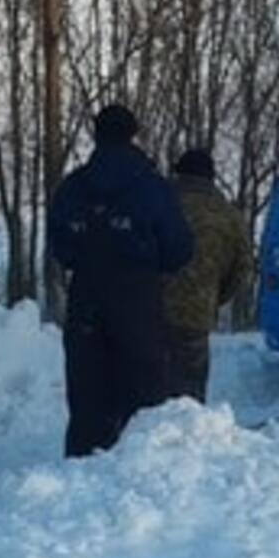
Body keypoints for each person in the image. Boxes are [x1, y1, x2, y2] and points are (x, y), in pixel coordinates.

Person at [47, 104, 193, 458]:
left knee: (88, 389)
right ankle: (139, 463)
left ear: (95, 135)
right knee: (143, 386)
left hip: (86, 294)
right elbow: (178, 247)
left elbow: (59, 246)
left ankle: (82, 464)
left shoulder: (74, 187)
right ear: (133, 134)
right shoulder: (153, 188)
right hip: (138, 296)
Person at [161, 148, 252, 402]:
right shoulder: (229, 215)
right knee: (190, 392)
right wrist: (214, 296)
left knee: (150, 389)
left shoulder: (160, 203)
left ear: (179, 173)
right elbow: (242, 267)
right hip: (197, 314)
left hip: (150, 312)